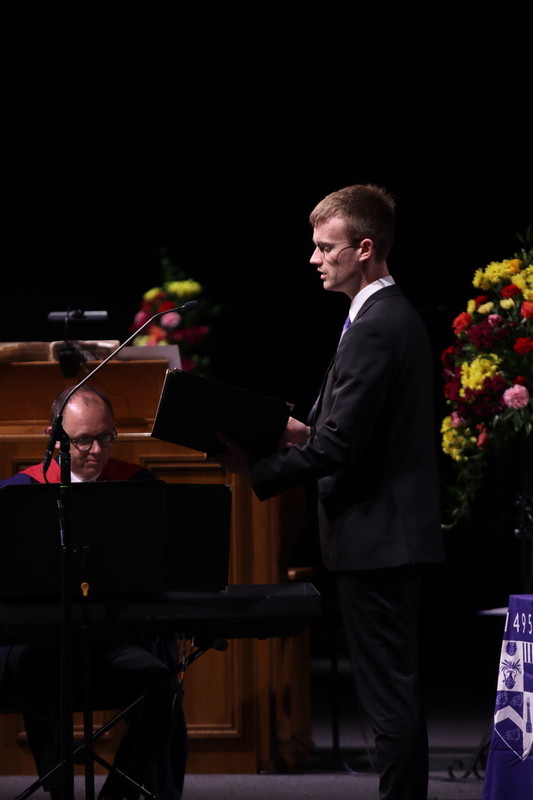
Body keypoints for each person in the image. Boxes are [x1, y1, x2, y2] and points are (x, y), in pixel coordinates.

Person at [215, 184, 445, 800]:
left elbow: (341, 447)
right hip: (385, 540)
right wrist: (297, 432)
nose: (314, 259)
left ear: (364, 249)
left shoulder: (378, 325)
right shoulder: (382, 318)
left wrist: (256, 468)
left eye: (325, 247)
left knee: (389, 695)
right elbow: (351, 432)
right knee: (391, 691)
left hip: (380, 542)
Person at [0, 385, 187, 800]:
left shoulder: (138, 487)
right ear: (54, 437)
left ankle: (118, 795)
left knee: (162, 685)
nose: (97, 451)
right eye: (84, 440)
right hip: (38, 641)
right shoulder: (18, 493)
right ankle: (60, 793)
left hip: (112, 639)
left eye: (106, 437)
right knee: (32, 672)